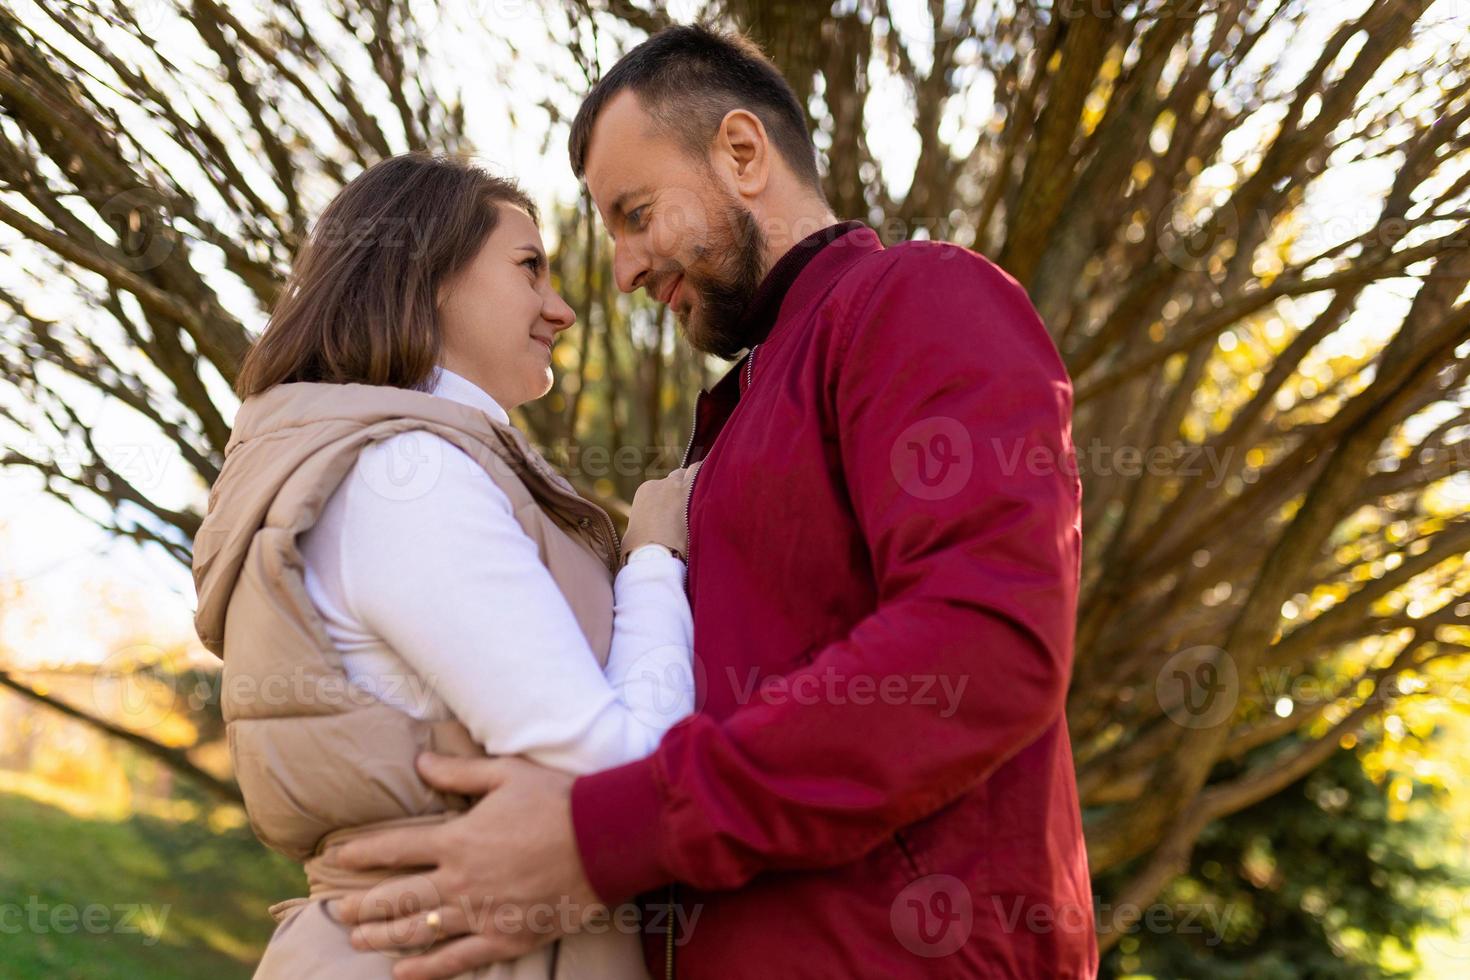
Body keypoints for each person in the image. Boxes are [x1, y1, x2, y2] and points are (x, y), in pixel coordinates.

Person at [333, 24, 1099, 980]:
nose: (620, 270)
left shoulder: (921, 299)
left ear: (741, 152)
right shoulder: (737, 415)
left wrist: (606, 833)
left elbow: (983, 646)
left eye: (636, 211)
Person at [191, 152, 699, 978]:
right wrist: (651, 558)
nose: (561, 309)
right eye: (529, 268)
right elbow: (620, 772)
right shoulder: (405, 474)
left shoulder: (396, 462)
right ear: (423, 274)